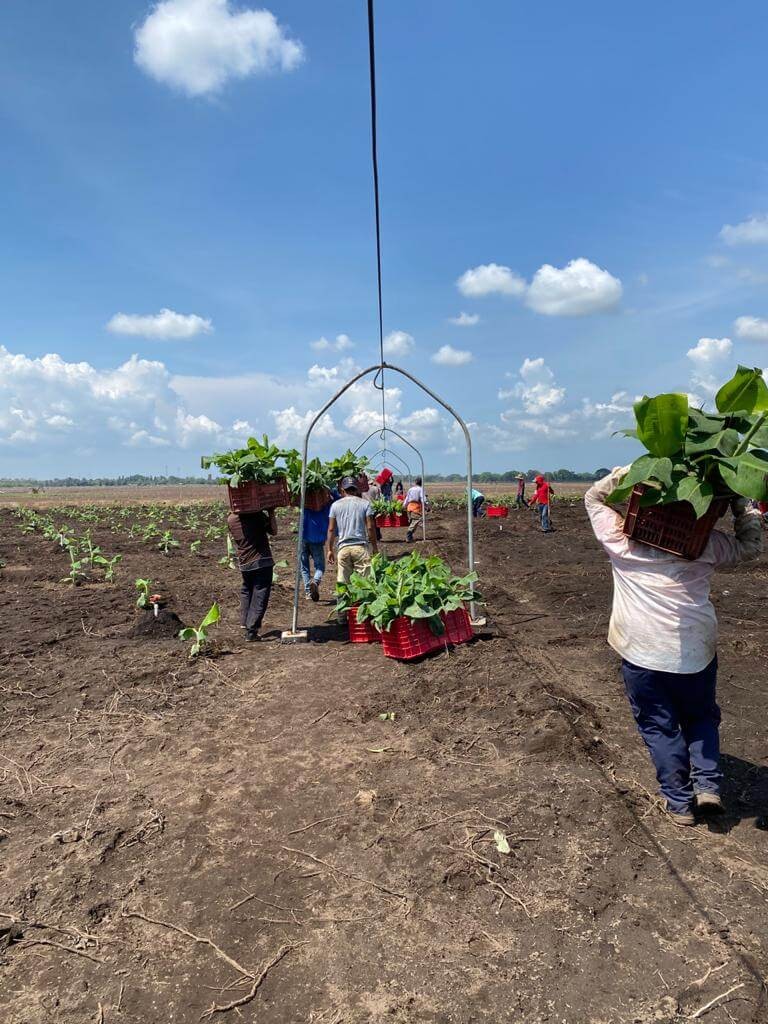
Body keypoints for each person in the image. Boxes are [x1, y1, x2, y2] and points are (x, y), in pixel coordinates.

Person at [585, 467, 762, 826]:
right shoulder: (706, 545)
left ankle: (680, 803)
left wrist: (629, 472)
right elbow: (749, 546)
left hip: (640, 651)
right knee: (700, 716)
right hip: (695, 651)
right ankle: (707, 785)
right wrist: (742, 501)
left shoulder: (622, 540)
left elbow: (593, 498)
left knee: (658, 725)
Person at [226, 507, 277, 642]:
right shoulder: (257, 515)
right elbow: (274, 531)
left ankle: (245, 623)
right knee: (260, 593)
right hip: (261, 561)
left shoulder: (231, 519)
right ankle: (251, 631)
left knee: (247, 590)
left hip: (244, 562)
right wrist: (271, 512)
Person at [326, 476, 379, 587]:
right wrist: (374, 547)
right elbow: (370, 527)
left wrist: (330, 550)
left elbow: (331, 529)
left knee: (343, 585)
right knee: (366, 584)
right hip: (360, 548)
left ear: (342, 490)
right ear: (356, 489)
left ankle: (344, 598)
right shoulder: (365, 504)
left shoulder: (335, 505)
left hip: (343, 548)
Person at [300, 490, 337, 602]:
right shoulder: (327, 504)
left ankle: (308, 592)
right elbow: (339, 498)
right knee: (320, 567)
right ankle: (315, 582)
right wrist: (331, 491)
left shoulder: (305, 501)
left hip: (303, 537)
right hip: (316, 539)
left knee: (304, 567)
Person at [404, 477, 426, 542]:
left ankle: (410, 536)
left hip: (409, 507)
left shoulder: (411, 489)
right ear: (421, 483)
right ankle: (408, 536)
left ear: (415, 482)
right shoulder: (420, 489)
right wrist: (426, 506)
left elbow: (407, 498)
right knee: (416, 521)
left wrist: (404, 505)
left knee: (414, 522)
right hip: (416, 508)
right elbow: (423, 499)